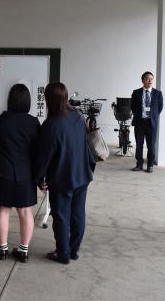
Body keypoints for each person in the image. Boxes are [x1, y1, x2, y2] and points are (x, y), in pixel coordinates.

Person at [0, 84, 40, 263]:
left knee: (3, 210)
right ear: (27, 101)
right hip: (26, 175)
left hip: (2, 173)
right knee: (25, 212)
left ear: (9, 100)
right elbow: (39, 150)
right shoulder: (33, 122)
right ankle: (23, 250)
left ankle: (3, 249)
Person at [36, 82, 95, 265]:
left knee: (61, 216)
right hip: (82, 173)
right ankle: (73, 250)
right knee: (78, 214)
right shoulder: (77, 116)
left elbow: (44, 157)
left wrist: (39, 178)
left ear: (49, 100)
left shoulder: (50, 125)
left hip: (61, 178)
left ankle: (63, 254)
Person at [130, 71, 164, 173]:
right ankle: (139, 164)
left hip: (151, 123)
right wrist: (140, 114)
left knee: (151, 146)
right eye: (147, 78)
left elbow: (160, 108)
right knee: (139, 145)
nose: (150, 80)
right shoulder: (136, 92)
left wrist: (152, 116)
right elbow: (132, 106)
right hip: (139, 122)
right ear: (143, 80)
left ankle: (150, 165)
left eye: (151, 79)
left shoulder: (158, 93)